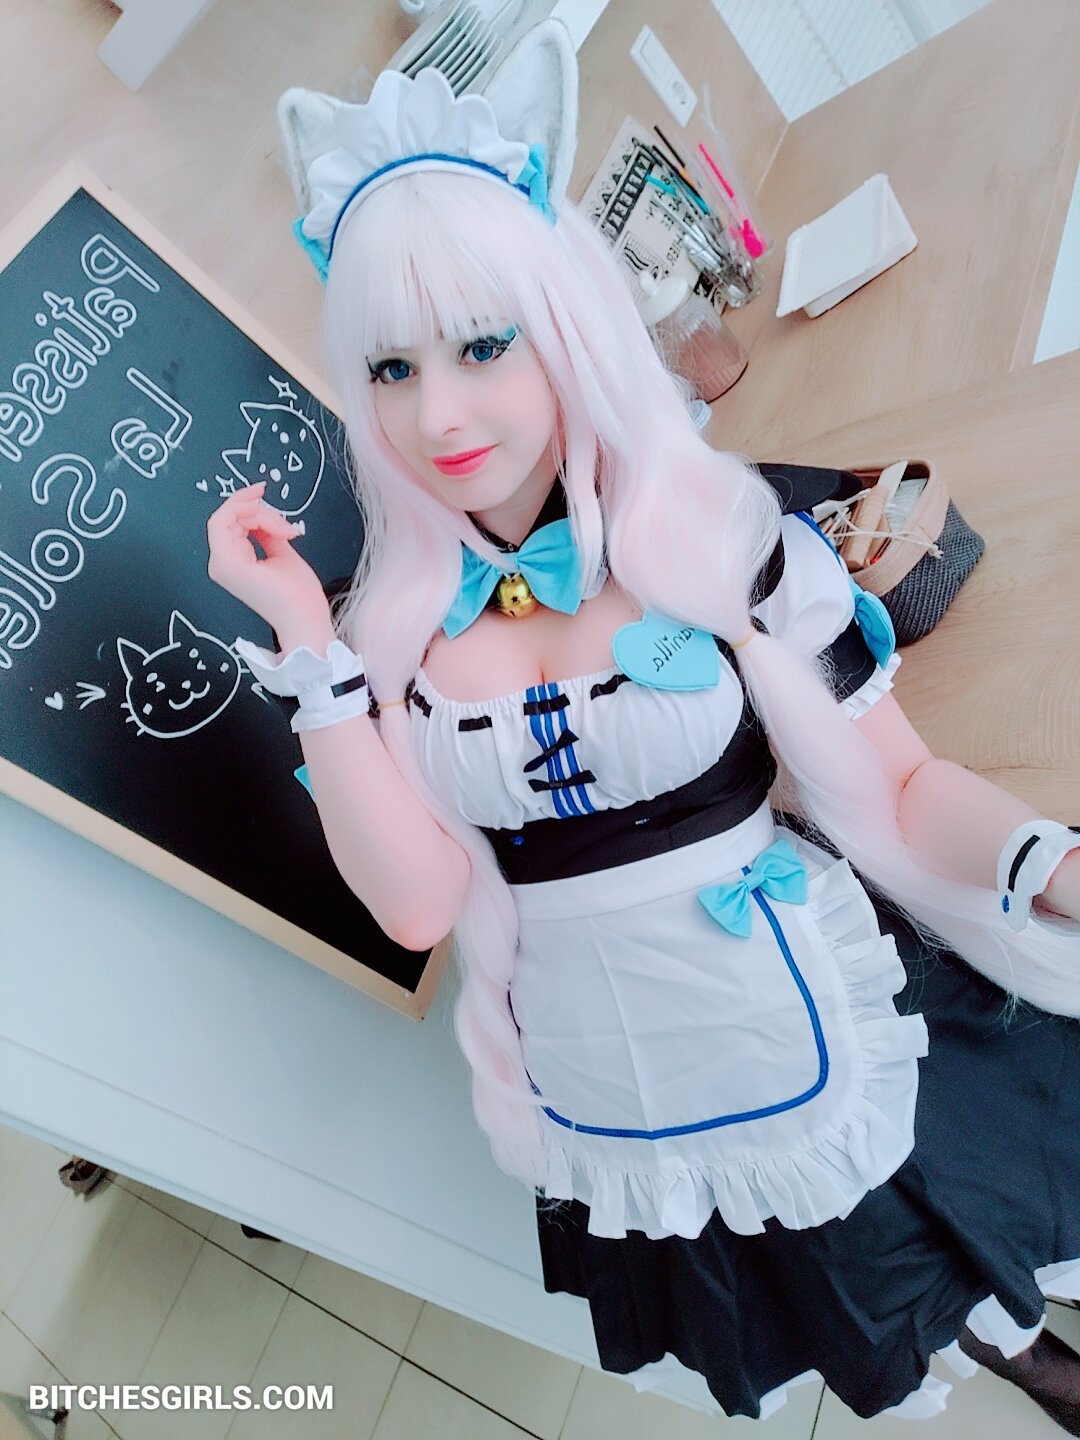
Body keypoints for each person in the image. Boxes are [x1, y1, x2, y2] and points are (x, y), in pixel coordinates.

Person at [207, 23, 1080, 1429]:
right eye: (390, 370)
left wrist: (1052, 864)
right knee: (874, 1295)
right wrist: (312, 650)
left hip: (809, 992)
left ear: (564, 326)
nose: (439, 414)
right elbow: (420, 907)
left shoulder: (722, 542)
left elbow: (904, 788)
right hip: (629, 1088)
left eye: (482, 346)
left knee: (962, 1203)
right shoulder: (392, 645)